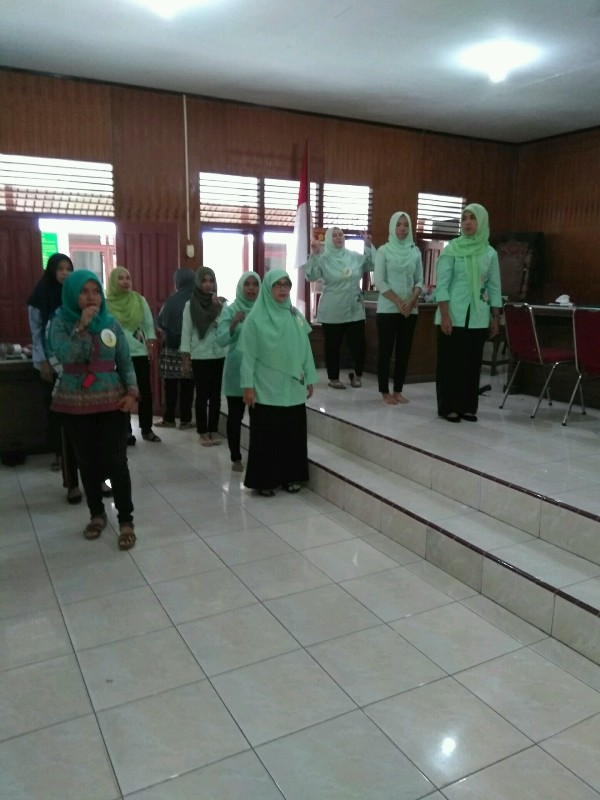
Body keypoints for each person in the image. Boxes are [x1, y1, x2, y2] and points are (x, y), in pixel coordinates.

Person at [47, 270, 139, 549]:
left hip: (112, 400)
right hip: (76, 402)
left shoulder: (110, 323)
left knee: (117, 462)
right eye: (84, 291)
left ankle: (126, 520)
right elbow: (65, 355)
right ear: (72, 294)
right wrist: (81, 328)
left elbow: (125, 360)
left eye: (96, 291)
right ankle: (97, 515)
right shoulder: (60, 322)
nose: (91, 297)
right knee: (87, 462)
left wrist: (132, 392)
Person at [238, 269, 317, 496]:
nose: (283, 289)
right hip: (266, 387)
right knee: (267, 436)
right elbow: (248, 357)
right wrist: (247, 386)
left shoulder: (294, 315)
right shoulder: (255, 319)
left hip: (292, 387)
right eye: (278, 285)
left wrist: (310, 377)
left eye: (286, 284)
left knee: (293, 435)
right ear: (268, 288)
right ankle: (265, 480)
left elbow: (305, 349)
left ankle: (291, 476)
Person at [434, 203, 502, 423]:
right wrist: (445, 315)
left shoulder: (489, 253)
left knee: (471, 364)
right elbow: (442, 285)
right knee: (450, 363)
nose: (468, 222)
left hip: (478, 316)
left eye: (473, 218)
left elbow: (494, 287)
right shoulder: (452, 249)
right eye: (464, 218)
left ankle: (467, 406)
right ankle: (449, 407)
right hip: (452, 315)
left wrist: (495, 317)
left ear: (481, 222)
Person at [27, 252, 82, 502]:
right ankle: (60, 455)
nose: (65, 273)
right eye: (60, 269)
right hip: (52, 362)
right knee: (57, 413)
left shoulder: (75, 296)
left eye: (69, 269)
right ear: (52, 271)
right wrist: (42, 362)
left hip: (77, 365)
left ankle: (85, 469)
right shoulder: (41, 297)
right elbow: (36, 332)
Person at [305, 226, 374, 389]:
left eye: (341, 235)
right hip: (332, 309)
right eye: (334, 236)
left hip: (354, 308)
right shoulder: (323, 258)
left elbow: (371, 265)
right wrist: (314, 254)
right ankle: (333, 378)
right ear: (329, 239)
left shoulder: (353, 256)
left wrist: (368, 246)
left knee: (359, 345)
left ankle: (357, 375)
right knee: (333, 346)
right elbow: (311, 276)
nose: (338, 238)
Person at [106, 266, 160, 443]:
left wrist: (151, 344)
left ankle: (147, 429)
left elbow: (148, 325)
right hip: (117, 354)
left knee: (144, 391)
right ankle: (126, 431)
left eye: (127, 278)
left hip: (139, 352)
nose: (125, 282)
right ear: (114, 281)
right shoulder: (106, 304)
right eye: (120, 278)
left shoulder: (139, 300)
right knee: (122, 392)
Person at [374, 211, 423, 405]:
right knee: (385, 352)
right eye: (398, 225)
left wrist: (411, 300)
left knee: (404, 351)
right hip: (388, 309)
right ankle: (385, 392)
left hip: (410, 310)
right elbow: (379, 281)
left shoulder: (415, 251)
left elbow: (419, 280)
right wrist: (398, 301)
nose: (402, 228)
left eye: (406, 225)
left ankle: (398, 390)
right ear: (392, 227)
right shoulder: (383, 251)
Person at [216, 271, 261, 471]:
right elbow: (220, 340)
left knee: (258, 419)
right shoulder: (230, 310)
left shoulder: (264, 309)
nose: (251, 288)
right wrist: (233, 323)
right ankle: (236, 457)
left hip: (259, 372)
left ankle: (257, 457)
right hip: (236, 370)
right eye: (247, 284)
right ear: (241, 287)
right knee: (235, 416)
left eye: (255, 284)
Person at [180, 267, 227, 446]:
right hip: (200, 355)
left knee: (215, 396)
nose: (208, 285)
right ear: (198, 283)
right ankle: (202, 431)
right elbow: (186, 332)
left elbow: (225, 328)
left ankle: (213, 430)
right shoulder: (190, 305)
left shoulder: (222, 304)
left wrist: (218, 310)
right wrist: (186, 357)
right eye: (204, 281)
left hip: (219, 353)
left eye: (211, 281)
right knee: (201, 395)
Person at [156, 268, 196, 429]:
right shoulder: (197, 299)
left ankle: (169, 419)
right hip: (191, 349)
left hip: (171, 347)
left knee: (170, 386)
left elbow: (160, 322)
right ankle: (186, 420)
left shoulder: (172, 300)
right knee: (188, 385)